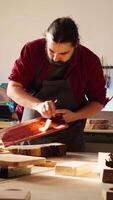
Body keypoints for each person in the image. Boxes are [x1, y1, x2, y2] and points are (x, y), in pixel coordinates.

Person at [7, 17, 108, 152]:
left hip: (69, 134)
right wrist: (37, 105)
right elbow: (12, 88)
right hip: (30, 133)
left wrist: (75, 116)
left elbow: (98, 101)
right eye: (51, 51)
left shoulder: (89, 61)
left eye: (63, 53)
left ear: (76, 45)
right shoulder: (32, 50)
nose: (55, 57)